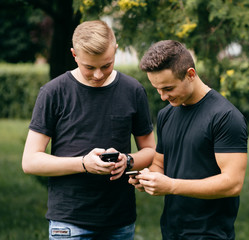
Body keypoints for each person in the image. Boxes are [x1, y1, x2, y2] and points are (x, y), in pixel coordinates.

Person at [22, 20, 156, 240]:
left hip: (120, 222)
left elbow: (150, 150)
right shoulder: (53, 92)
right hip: (69, 222)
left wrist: (128, 160)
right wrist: (84, 163)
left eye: (106, 65)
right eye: (89, 67)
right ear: (74, 55)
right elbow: (30, 161)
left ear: (115, 50)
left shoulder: (133, 90)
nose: (98, 75)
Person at [130, 40, 248, 239]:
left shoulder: (225, 117)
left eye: (168, 88)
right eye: (157, 89)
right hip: (171, 231)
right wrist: (146, 179)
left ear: (190, 74)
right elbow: (159, 164)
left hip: (210, 234)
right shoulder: (166, 114)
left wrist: (171, 186)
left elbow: (233, 183)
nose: (162, 96)